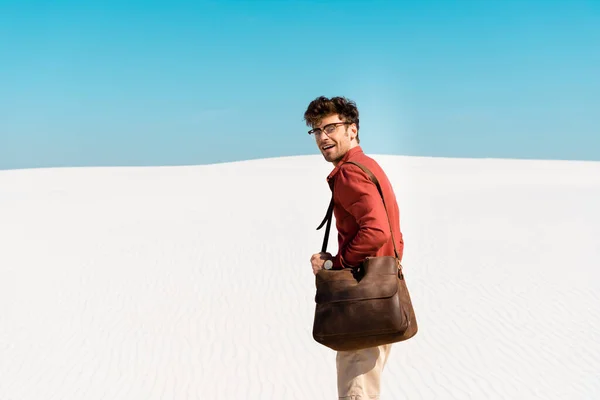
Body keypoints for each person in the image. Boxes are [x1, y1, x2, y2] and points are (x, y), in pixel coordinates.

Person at [304, 96, 404, 399]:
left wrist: (335, 264)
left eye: (331, 127)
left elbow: (376, 231)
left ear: (353, 130)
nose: (323, 137)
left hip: (362, 298)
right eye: (317, 131)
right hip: (381, 293)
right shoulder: (368, 166)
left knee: (356, 390)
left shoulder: (350, 171)